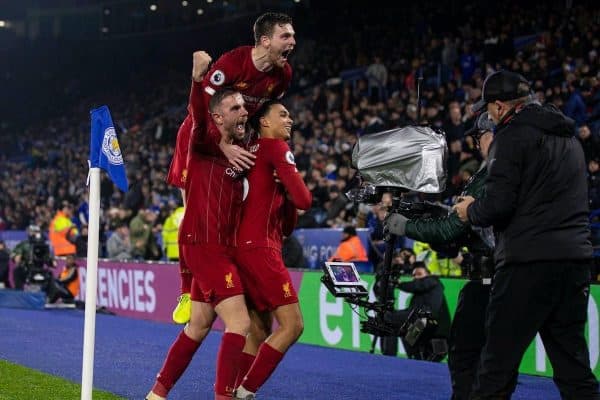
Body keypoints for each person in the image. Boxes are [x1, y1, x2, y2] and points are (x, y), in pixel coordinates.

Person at [454, 70, 600, 399]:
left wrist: (470, 211)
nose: (488, 116)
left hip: (527, 264)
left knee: (496, 367)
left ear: (501, 106)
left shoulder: (511, 135)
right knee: (574, 368)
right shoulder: (570, 138)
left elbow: (499, 206)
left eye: (489, 109)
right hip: (575, 261)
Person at [167, 11, 296, 325]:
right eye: (285, 36)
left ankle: (226, 277)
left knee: (226, 213)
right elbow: (200, 109)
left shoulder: (282, 75)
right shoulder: (233, 63)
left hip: (235, 138)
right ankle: (186, 290)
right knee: (195, 214)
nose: (292, 42)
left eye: (293, 36)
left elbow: (260, 117)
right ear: (265, 41)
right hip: (200, 137)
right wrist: (220, 144)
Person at [147, 54, 253, 400]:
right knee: (240, 324)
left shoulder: (236, 151)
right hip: (204, 245)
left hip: (216, 246)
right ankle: (224, 397)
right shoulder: (204, 140)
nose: (244, 113)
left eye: (244, 107)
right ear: (218, 116)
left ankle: (157, 394)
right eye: (235, 108)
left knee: (198, 326)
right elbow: (196, 112)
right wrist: (197, 80)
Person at [386, 111, 495, 399]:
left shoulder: (495, 172)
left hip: (492, 280)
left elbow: (451, 231)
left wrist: (407, 226)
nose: (476, 144)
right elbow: (456, 233)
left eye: (478, 137)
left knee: (468, 355)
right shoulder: (491, 171)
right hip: (490, 275)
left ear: (491, 135)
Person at [233, 100, 312, 399]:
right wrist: (295, 185)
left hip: (243, 249)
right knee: (293, 326)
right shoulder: (276, 148)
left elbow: (289, 225)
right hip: (261, 249)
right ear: (264, 122)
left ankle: (231, 392)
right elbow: (305, 200)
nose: (289, 119)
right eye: (283, 114)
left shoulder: (249, 153)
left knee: (259, 331)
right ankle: (245, 392)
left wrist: (286, 192)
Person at [382, 263, 451, 359]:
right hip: (423, 323)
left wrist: (398, 283)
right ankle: (402, 357)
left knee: (390, 318)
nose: (416, 277)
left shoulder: (433, 282)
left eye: (419, 273)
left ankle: (388, 357)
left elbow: (418, 286)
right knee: (402, 329)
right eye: (414, 275)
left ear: (428, 274)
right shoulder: (421, 292)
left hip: (435, 330)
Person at [11, 225, 55, 290]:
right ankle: (19, 292)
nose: (32, 233)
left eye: (35, 232)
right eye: (30, 231)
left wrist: (52, 262)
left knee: (50, 275)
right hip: (26, 269)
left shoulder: (44, 245)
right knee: (17, 271)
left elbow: (49, 259)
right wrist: (16, 257)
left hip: (40, 269)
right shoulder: (24, 244)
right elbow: (14, 254)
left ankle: (49, 296)